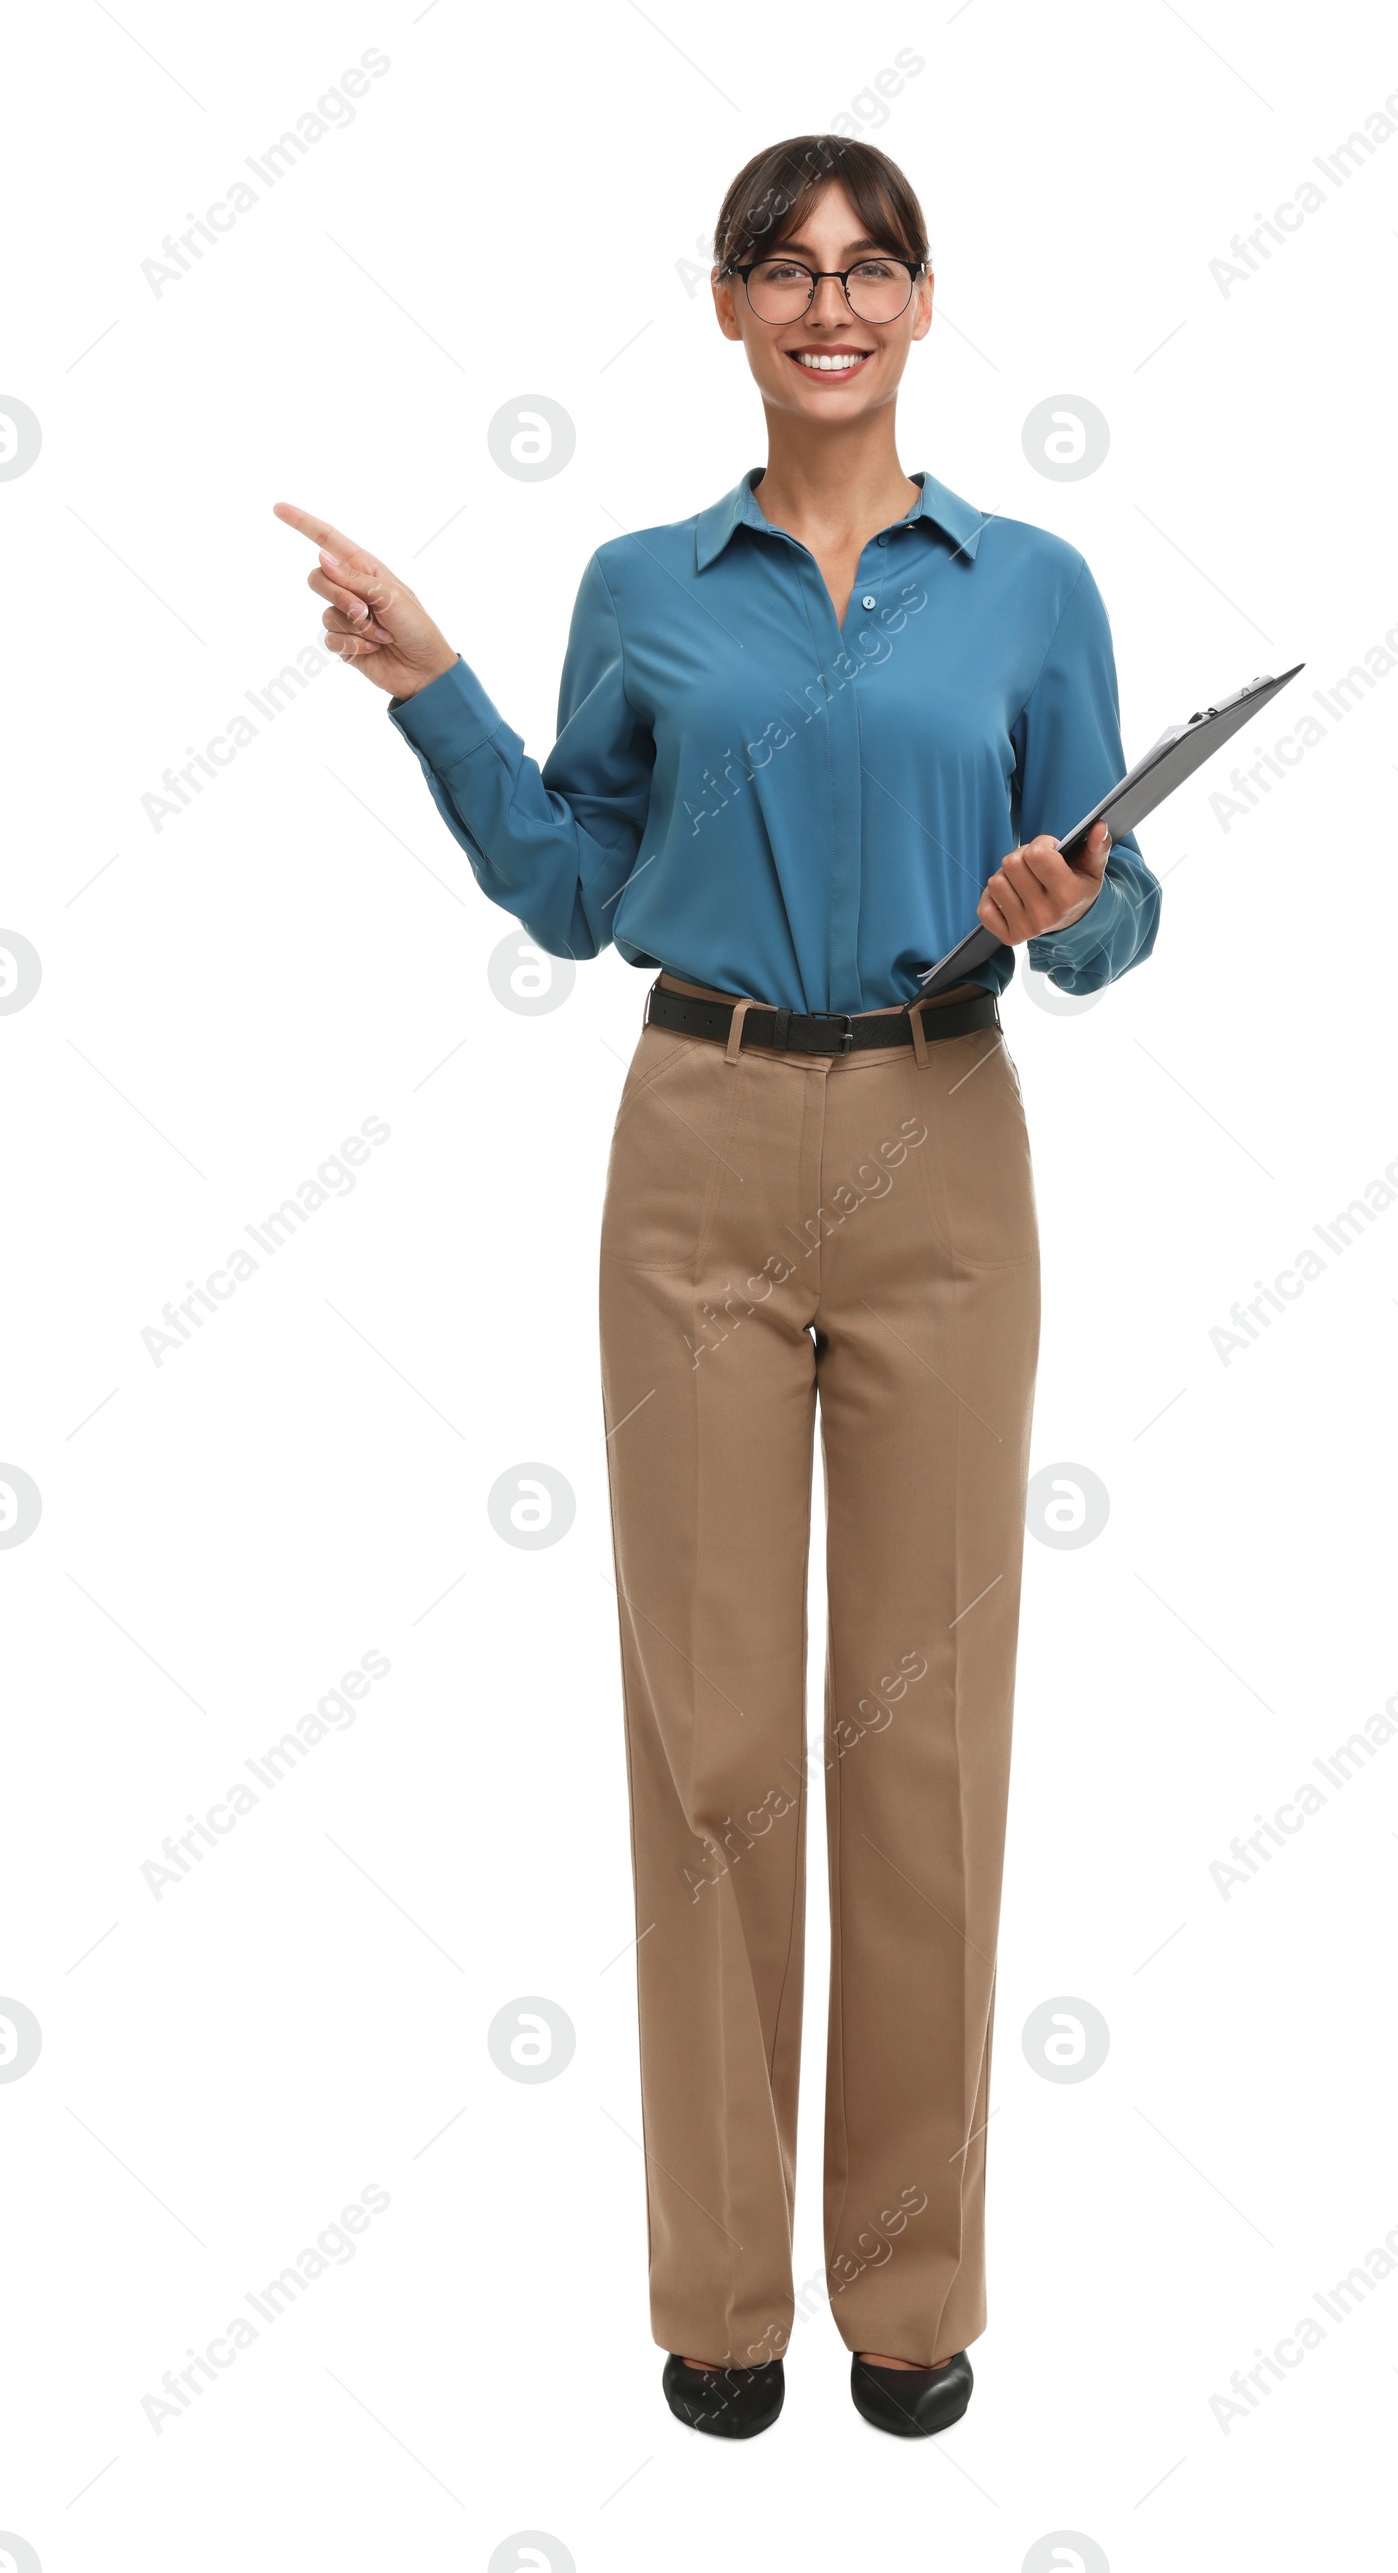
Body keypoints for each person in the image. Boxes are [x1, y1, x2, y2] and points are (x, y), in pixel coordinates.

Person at [275, 133, 1160, 2442]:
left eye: (867, 265)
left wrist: (1074, 904)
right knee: (716, 1749)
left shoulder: (1027, 586)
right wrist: (434, 688)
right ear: (727, 309)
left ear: (927, 303)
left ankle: (909, 2290)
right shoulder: (641, 583)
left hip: (945, 1144)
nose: (828, 300)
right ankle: (716, 2300)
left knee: (924, 1742)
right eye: (784, 266)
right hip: (693, 1142)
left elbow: (1121, 899)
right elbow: (574, 892)